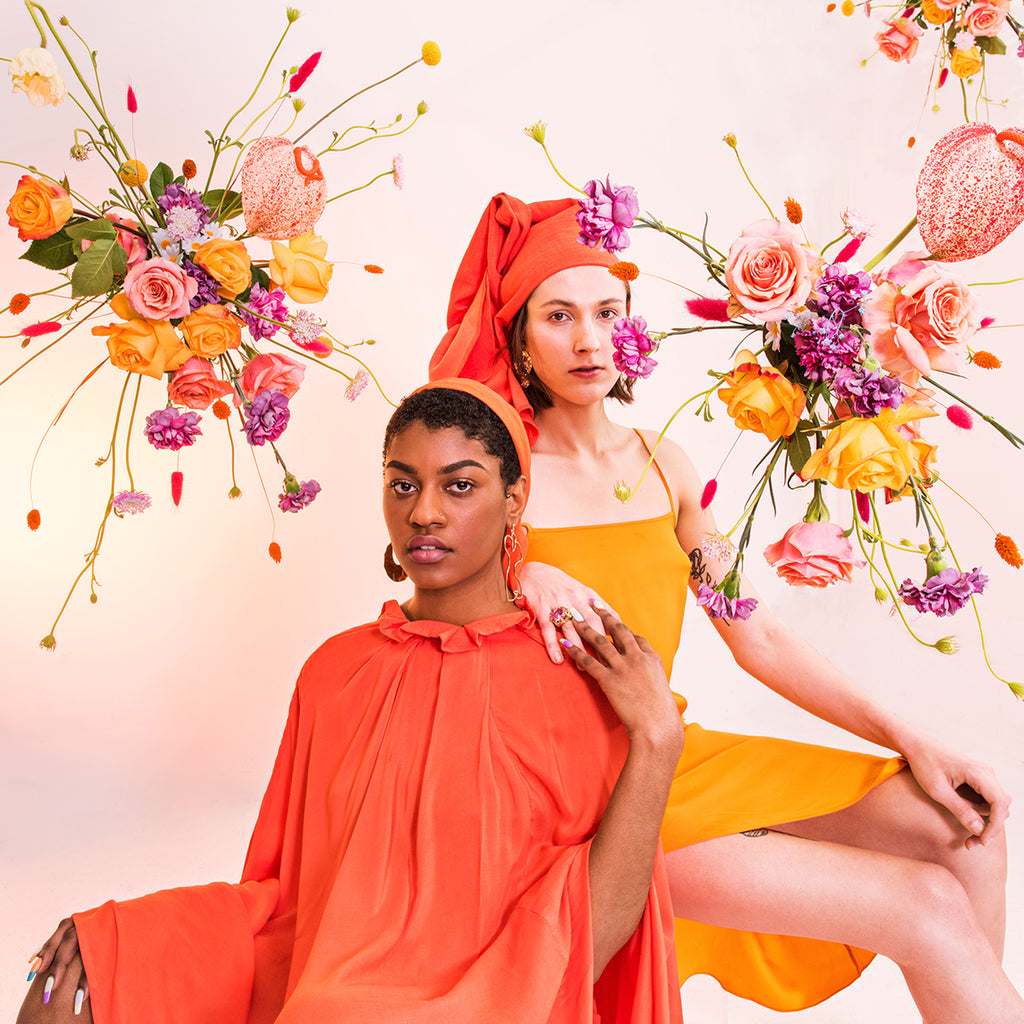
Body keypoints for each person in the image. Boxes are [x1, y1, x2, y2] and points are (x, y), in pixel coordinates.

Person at [429, 193, 1024, 1021]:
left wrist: (913, 739)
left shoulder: (665, 465)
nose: (589, 338)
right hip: (580, 801)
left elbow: (759, 636)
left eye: (607, 311)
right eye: (558, 316)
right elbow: (430, 615)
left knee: (965, 828)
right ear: (521, 338)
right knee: (922, 906)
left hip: (676, 753)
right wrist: (520, 574)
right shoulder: (490, 477)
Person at [17, 380, 684, 1024]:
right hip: (324, 968)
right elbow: (293, 896)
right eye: (403, 484)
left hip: (503, 994)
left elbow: (595, 927)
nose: (424, 511)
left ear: (514, 500)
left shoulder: (571, 674)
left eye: (459, 485)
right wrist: (115, 941)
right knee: (77, 975)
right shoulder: (335, 670)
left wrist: (657, 733)